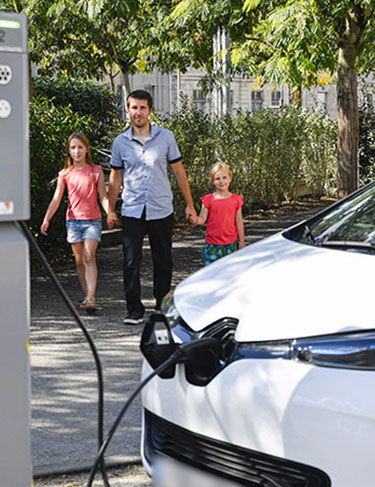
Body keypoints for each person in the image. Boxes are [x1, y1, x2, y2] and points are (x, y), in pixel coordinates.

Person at [107, 89, 196, 325]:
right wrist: (110, 209)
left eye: (142, 108)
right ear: (128, 110)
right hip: (133, 208)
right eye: (134, 108)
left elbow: (178, 171)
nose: (138, 112)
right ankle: (134, 310)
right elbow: (116, 176)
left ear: (150, 111)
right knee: (130, 261)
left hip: (160, 207)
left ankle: (161, 305)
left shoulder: (166, 137)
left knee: (163, 259)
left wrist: (189, 204)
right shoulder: (120, 142)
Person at [41, 132, 109, 313]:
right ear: (69, 151)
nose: (77, 151)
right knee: (79, 262)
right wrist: (47, 218)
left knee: (89, 257)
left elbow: (103, 196)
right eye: (73, 148)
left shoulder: (96, 171)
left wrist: (110, 212)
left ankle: (91, 297)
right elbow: (56, 199)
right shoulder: (65, 174)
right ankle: (88, 296)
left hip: (92, 221)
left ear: (87, 149)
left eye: (80, 147)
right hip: (73, 222)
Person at [190, 162, 245, 266]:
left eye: (224, 177)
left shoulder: (236, 200)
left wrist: (241, 241)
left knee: (230, 272)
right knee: (212, 273)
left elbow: (239, 222)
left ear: (230, 178)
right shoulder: (208, 199)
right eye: (217, 179)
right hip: (212, 245)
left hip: (231, 244)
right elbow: (202, 218)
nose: (221, 181)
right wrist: (195, 220)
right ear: (213, 181)